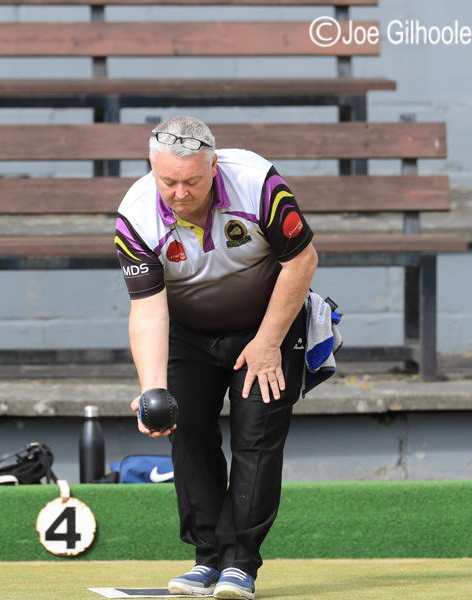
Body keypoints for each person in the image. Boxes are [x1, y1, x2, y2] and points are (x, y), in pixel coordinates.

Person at [114, 116, 317, 600]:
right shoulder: (135, 215)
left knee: (256, 437)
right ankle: (207, 559)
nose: (180, 192)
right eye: (168, 181)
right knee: (186, 433)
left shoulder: (257, 182)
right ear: (152, 168)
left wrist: (269, 341)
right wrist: (152, 388)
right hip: (187, 333)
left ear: (214, 165)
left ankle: (239, 565)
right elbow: (147, 309)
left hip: (266, 325)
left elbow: (302, 260)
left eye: (192, 180)